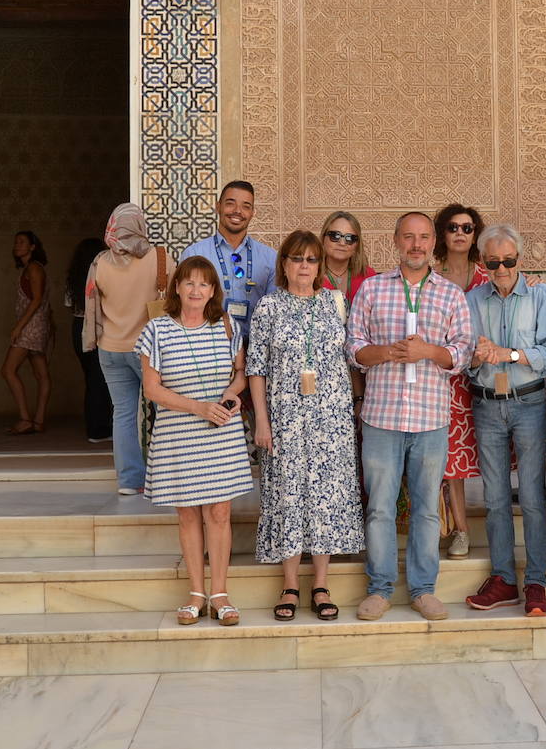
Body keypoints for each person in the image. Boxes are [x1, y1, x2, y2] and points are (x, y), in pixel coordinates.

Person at [346, 211, 473, 622]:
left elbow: (462, 352)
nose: (416, 245)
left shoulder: (450, 294)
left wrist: (428, 352)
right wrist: (388, 353)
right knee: (380, 507)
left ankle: (423, 590)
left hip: (431, 419)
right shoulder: (372, 289)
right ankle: (380, 589)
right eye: (408, 237)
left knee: (426, 509)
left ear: (432, 241)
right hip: (382, 417)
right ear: (396, 240)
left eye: (423, 238)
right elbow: (354, 348)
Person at [248, 230, 365, 621]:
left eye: (311, 260)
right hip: (284, 419)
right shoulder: (268, 307)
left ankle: (320, 582)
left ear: (319, 267)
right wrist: (261, 422)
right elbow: (257, 370)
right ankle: (290, 583)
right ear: (284, 264)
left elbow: (349, 361)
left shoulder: (334, 303)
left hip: (330, 419)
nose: (303, 266)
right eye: (296, 258)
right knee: (288, 496)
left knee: (326, 498)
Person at [136, 256, 252, 626]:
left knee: (219, 512)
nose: (196, 290)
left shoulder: (227, 326)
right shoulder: (156, 330)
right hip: (179, 432)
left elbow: (240, 376)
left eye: (204, 284)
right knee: (187, 513)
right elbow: (152, 390)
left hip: (221, 430)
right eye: (189, 283)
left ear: (214, 290)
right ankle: (195, 594)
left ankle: (220, 594)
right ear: (177, 288)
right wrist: (198, 408)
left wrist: (229, 398)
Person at [463, 223, 546, 617]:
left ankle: (536, 581)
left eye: (508, 261)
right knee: (493, 499)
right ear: (483, 264)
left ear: (520, 260)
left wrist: (508, 354)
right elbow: (466, 355)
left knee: (533, 497)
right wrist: (477, 355)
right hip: (487, 403)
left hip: (528, 401)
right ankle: (503, 578)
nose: (502, 269)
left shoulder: (540, 295)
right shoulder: (473, 299)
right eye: (493, 262)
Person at [83, 203, 175, 495]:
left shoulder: (100, 262)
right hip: (150, 351)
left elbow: (91, 307)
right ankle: (165, 478)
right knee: (166, 410)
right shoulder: (161, 258)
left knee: (123, 414)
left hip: (110, 349)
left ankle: (129, 481)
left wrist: (92, 340)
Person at [432, 204, 489, 558]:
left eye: (467, 228)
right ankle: (461, 530)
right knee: (450, 457)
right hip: (445, 378)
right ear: (442, 233)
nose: (460, 233)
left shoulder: (489, 275)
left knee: (487, 452)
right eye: (453, 227)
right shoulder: (431, 278)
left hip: (484, 379)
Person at [179, 180, 278, 340]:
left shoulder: (270, 258)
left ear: (253, 212)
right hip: (208, 347)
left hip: (255, 350)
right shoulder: (194, 254)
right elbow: (182, 306)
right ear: (218, 206)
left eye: (246, 206)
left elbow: (276, 311)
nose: (237, 211)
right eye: (230, 203)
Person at [2, 230, 53, 435]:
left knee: (7, 370)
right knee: (41, 374)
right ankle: (38, 421)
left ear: (33, 247)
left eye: (22, 242)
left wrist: (18, 327)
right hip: (37, 325)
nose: (17, 245)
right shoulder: (30, 268)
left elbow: (37, 299)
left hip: (31, 327)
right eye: (16, 242)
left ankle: (25, 419)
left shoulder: (34, 268)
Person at [65, 237, 113, 442]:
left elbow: (68, 303)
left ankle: (95, 427)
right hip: (96, 326)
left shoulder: (73, 276)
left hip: (78, 327)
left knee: (91, 379)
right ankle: (99, 430)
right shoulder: (102, 273)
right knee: (99, 380)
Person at [319, 210, 378, 305]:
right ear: (323, 239)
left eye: (349, 238)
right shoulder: (310, 275)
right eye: (335, 236)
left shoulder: (368, 276)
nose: (342, 243)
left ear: (357, 245)